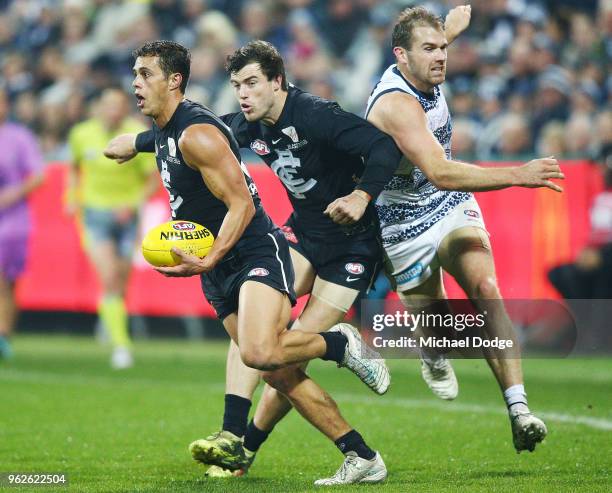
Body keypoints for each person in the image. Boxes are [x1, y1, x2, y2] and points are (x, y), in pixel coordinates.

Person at [107, 38, 409, 483]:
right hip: (302, 235)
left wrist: (362, 195)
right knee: (273, 366)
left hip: (344, 244)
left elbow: (383, 148)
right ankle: (350, 453)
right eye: (236, 84)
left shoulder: (314, 116)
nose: (243, 93)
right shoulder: (243, 125)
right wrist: (136, 142)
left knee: (264, 351)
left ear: (277, 82)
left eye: (252, 83)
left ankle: (336, 348)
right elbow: (204, 130)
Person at [365, 6, 563, 453]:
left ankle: (519, 410)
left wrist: (455, 23)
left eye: (443, 49)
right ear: (401, 56)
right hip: (401, 222)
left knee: (486, 287)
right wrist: (518, 173)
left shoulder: (426, 59)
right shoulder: (396, 104)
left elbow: (443, 34)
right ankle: (433, 352)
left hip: (448, 207)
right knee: (436, 327)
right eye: (429, 50)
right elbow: (441, 171)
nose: (440, 57)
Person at [66, 88, 159, 369]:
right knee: (108, 278)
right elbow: (74, 168)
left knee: (120, 281)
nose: (112, 110)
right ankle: (122, 346)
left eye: (118, 105)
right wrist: (72, 198)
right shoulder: (81, 134)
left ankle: (110, 319)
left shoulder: (136, 135)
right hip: (94, 214)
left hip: (127, 216)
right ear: (98, 107)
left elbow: (151, 179)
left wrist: (132, 204)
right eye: (107, 105)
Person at [0, 88, 44, 359]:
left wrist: (10, 195)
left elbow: (38, 175)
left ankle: (4, 334)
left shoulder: (18, 136)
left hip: (12, 222)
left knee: (7, 281)